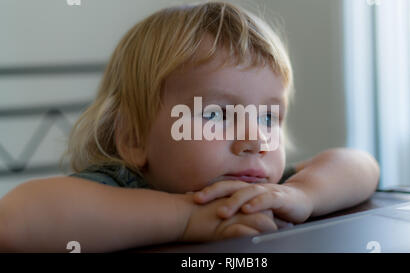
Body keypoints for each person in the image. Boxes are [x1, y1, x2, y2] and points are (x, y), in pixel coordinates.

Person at [0, 1, 379, 252]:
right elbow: (14, 220)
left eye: (267, 117)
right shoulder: (120, 186)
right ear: (134, 138)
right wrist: (184, 218)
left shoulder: (263, 188)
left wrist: (306, 196)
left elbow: (361, 166)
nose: (255, 141)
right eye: (216, 115)